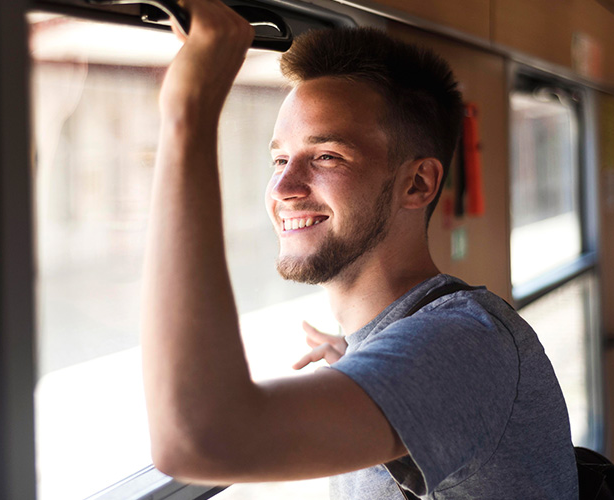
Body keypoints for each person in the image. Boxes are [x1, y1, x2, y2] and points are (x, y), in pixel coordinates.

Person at [141, 0, 579, 498]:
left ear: (417, 183)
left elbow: (198, 441)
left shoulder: (467, 345)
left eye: (327, 156)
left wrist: (187, 113)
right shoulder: (404, 348)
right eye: (279, 159)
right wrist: (364, 356)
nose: (283, 187)